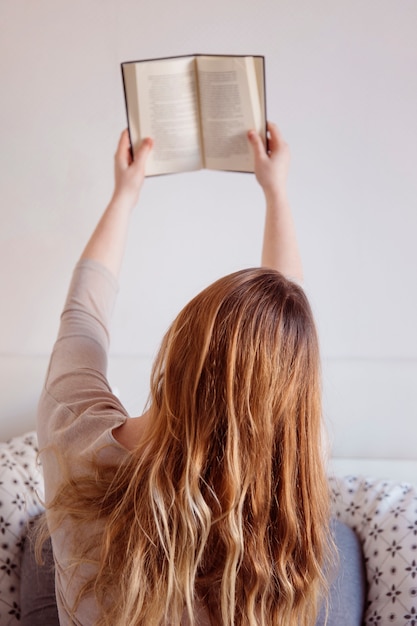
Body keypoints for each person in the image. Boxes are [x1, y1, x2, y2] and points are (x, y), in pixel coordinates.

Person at [33, 123, 366, 625]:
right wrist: (276, 192)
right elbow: (274, 360)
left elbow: (83, 316)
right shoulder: (286, 515)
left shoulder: (73, 436)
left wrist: (125, 195)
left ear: (177, 350)